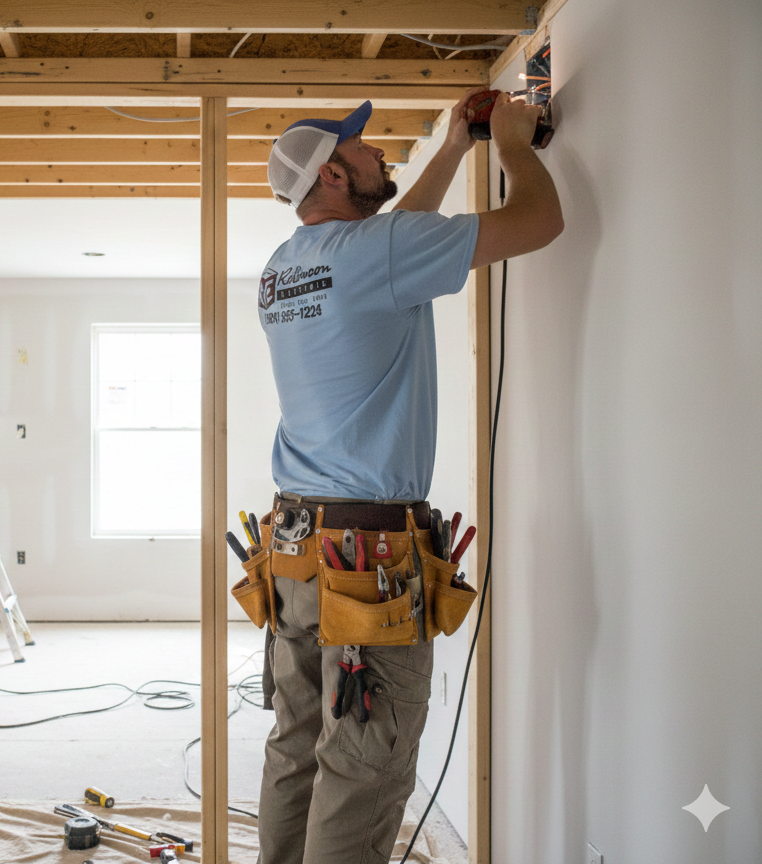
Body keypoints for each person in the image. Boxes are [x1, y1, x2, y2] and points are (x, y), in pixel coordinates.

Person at [256, 90, 563, 864]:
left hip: (292, 548)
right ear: (331, 175)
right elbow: (539, 224)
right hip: (366, 565)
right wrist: (514, 147)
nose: (378, 151)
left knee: (297, 746)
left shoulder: (286, 268)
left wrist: (457, 144)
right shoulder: (378, 255)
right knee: (363, 764)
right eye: (360, 148)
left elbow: (396, 238)